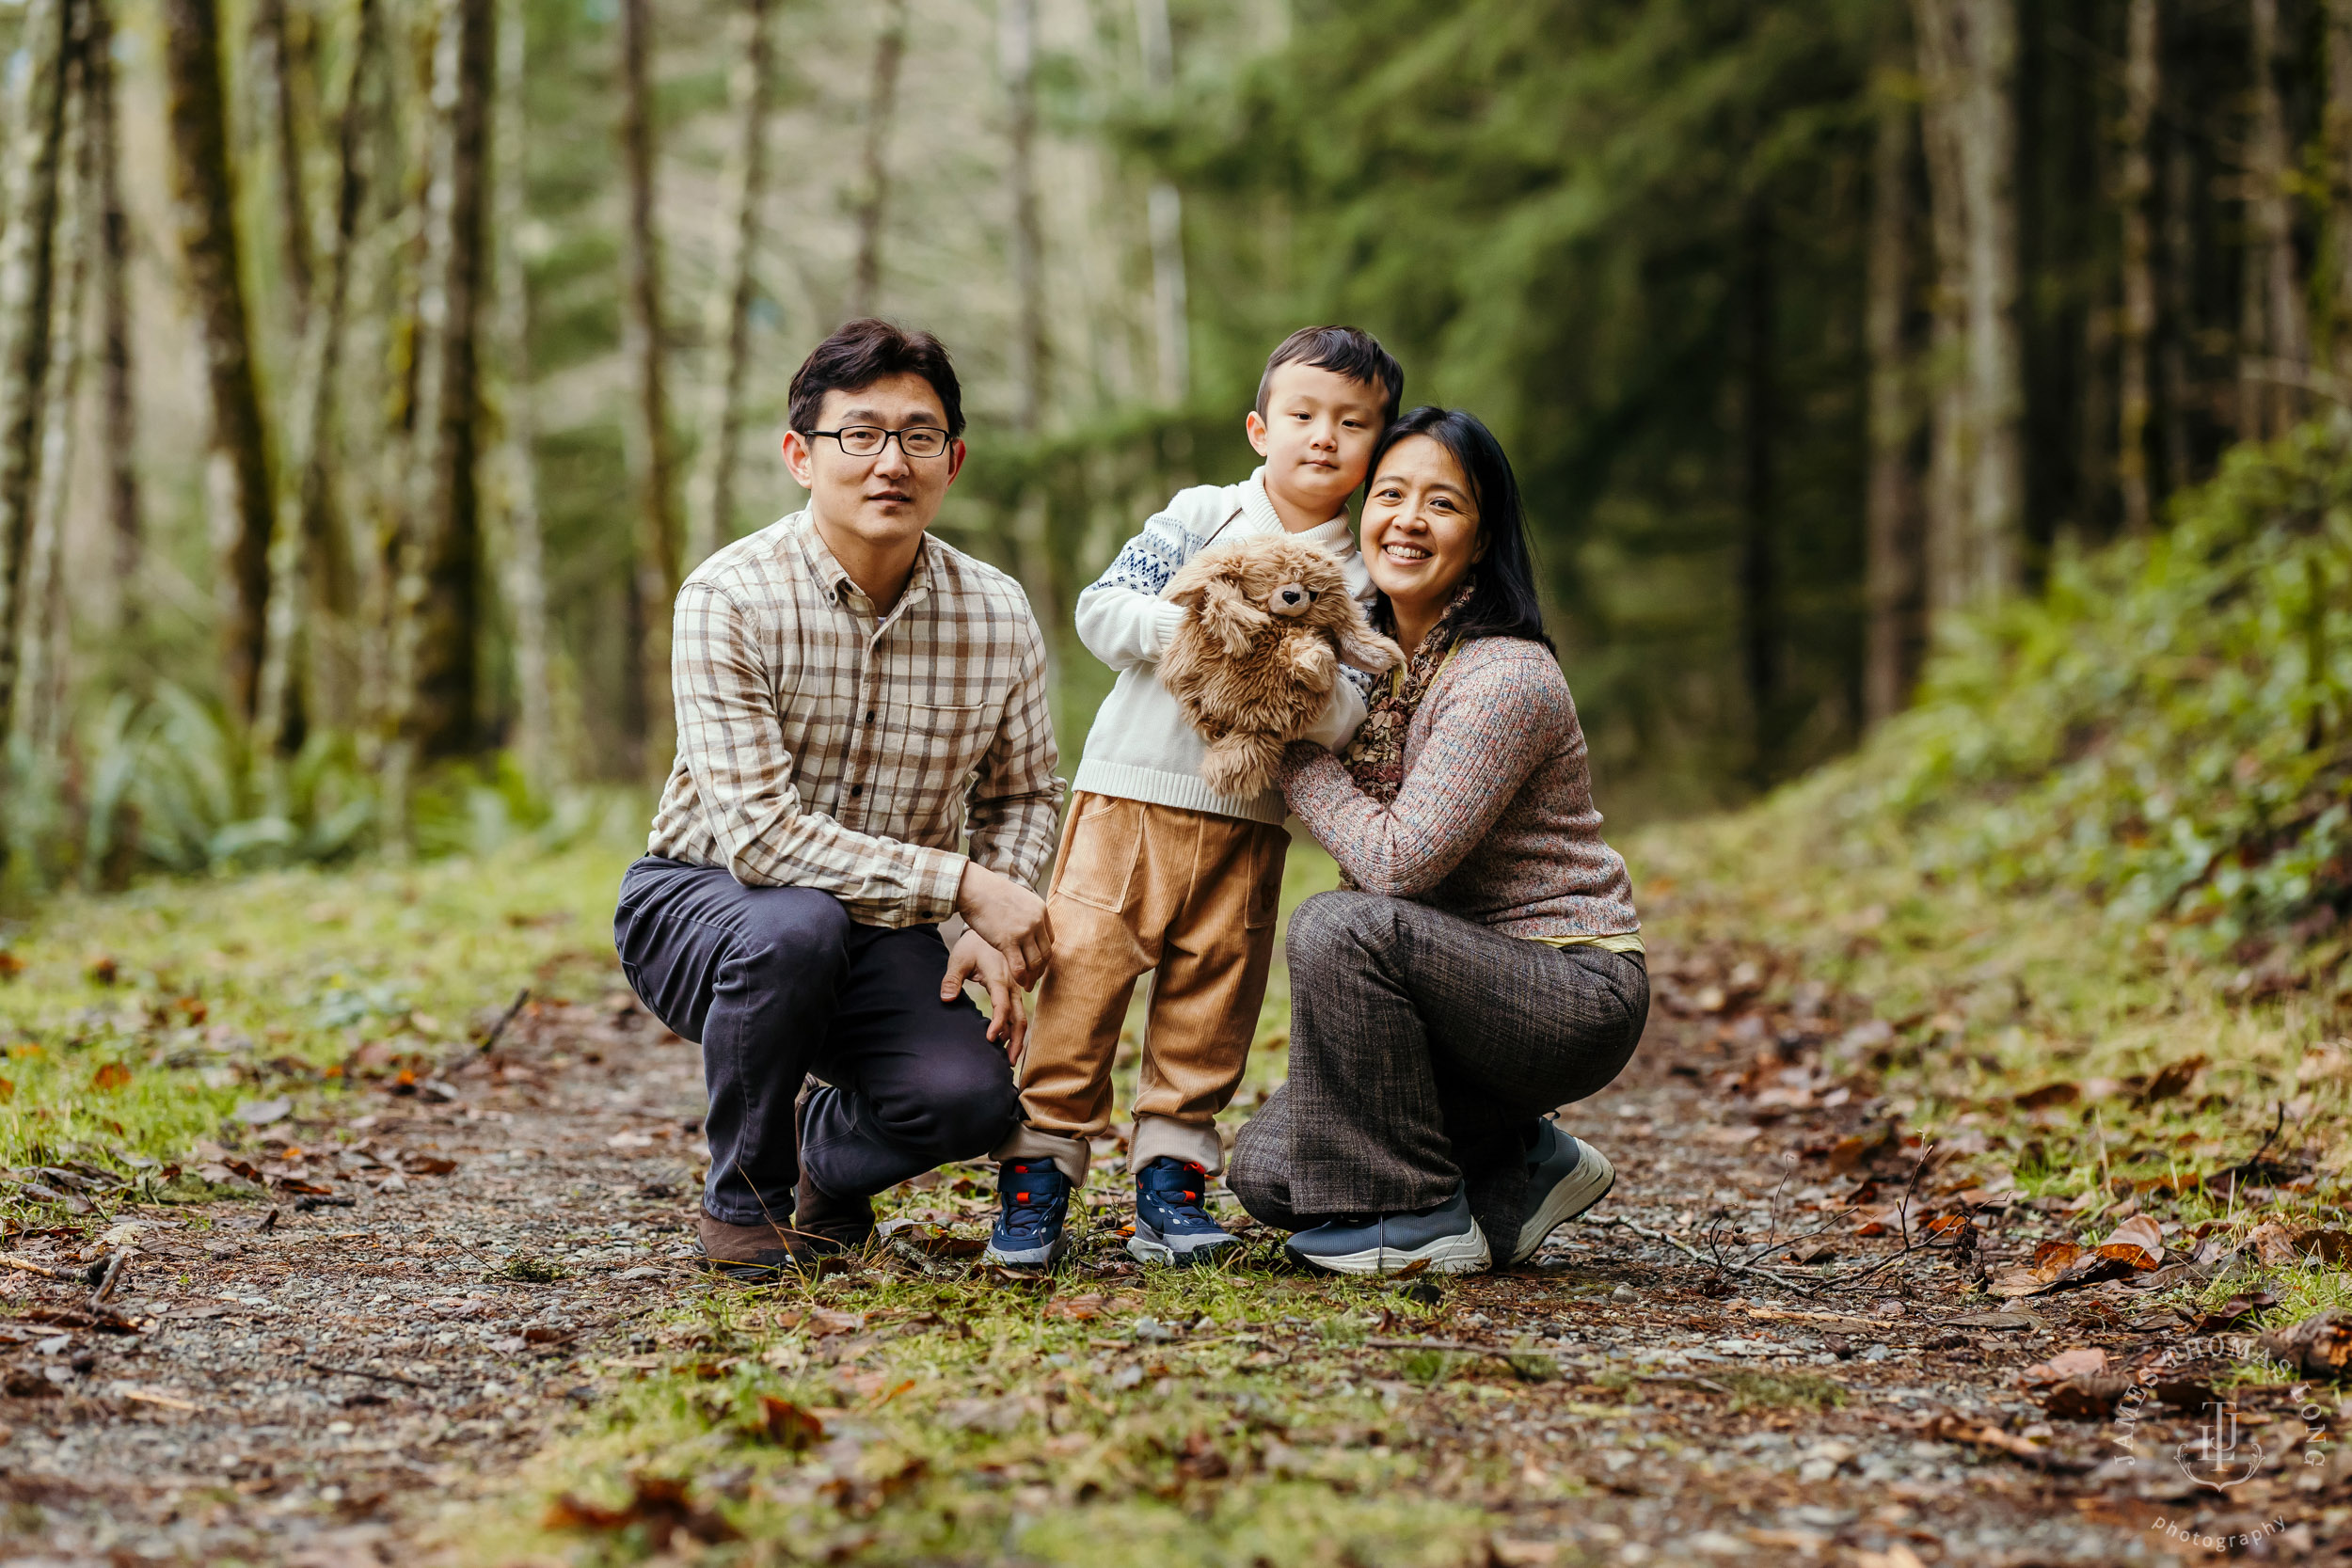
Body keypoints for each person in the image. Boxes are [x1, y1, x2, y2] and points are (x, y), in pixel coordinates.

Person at [612, 320, 1063, 1278]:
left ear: (954, 457)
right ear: (799, 456)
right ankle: (745, 1200)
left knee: (967, 1100)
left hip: (879, 926)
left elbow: (1024, 792)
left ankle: (827, 1152)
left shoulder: (997, 612)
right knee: (795, 924)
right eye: (858, 433)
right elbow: (763, 841)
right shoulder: (728, 595)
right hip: (703, 904)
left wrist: (990, 914)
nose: (890, 461)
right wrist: (964, 884)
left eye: (918, 434)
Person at [983, 326, 1404, 1270]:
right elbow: (1101, 606)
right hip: (1128, 792)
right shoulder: (1204, 512)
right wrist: (1202, 631)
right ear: (1260, 426)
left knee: (1213, 996)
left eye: (1351, 423)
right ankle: (1039, 1168)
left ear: (1378, 445)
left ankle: (1171, 1180)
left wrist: (1288, 676)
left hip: (1248, 821)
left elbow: (1349, 709)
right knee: (1083, 971)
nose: (1323, 438)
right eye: (1302, 415)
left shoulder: (1361, 569)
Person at [1228, 406, 1648, 1275]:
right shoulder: (1368, 666)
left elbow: (1393, 865)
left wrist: (1293, 742)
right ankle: (1525, 1161)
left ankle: (1420, 1219)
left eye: (1443, 503)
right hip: (1447, 991)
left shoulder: (1505, 674)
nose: (1409, 520)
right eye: (1390, 494)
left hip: (1566, 986)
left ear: (1482, 533)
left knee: (1338, 924)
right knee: (1269, 1172)